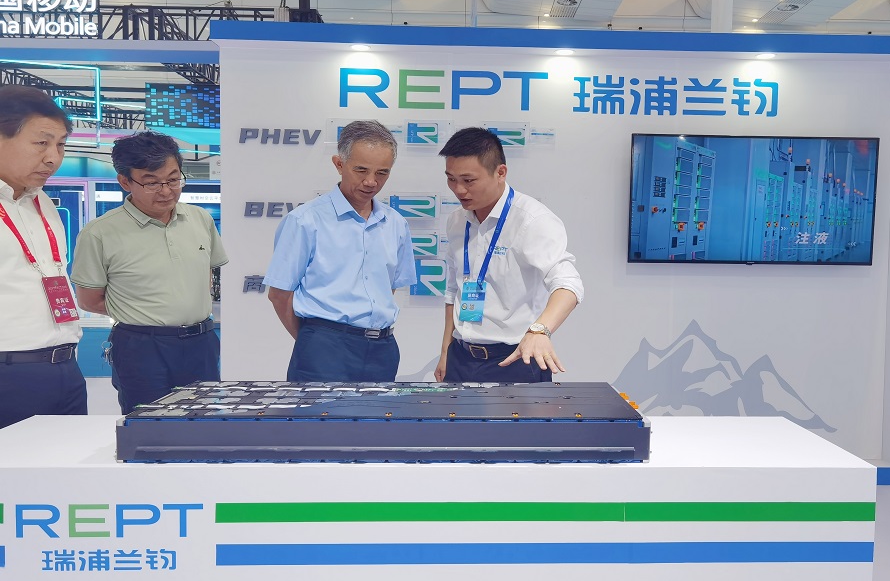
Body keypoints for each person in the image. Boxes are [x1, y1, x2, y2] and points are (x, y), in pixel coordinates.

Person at [71, 131, 228, 414]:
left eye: (173, 179)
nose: (166, 191)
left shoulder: (200, 219)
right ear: (125, 182)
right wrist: (146, 313)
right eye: (152, 182)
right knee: (148, 425)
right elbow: (88, 299)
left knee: (203, 422)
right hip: (141, 347)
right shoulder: (100, 233)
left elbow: (204, 275)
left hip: (201, 342)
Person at [264, 120, 416, 382]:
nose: (371, 181)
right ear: (339, 164)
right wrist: (314, 342)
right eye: (361, 170)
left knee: (378, 412)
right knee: (318, 412)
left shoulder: (396, 223)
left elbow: (387, 288)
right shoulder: (305, 221)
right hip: (323, 348)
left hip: (383, 349)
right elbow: (279, 295)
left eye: (382, 173)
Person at [434, 127, 584, 383]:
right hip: (460, 357)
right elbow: (453, 290)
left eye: (468, 180)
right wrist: (446, 351)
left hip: (515, 359)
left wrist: (540, 331)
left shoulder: (532, 220)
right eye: (451, 179)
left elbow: (568, 284)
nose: (458, 190)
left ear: (500, 172)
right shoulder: (457, 221)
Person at [0, 85, 88, 429]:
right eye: (41, 142)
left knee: (70, 462)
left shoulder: (43, 202)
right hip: (9, 372)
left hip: (65, 367)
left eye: (61, 144)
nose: (53, 157)